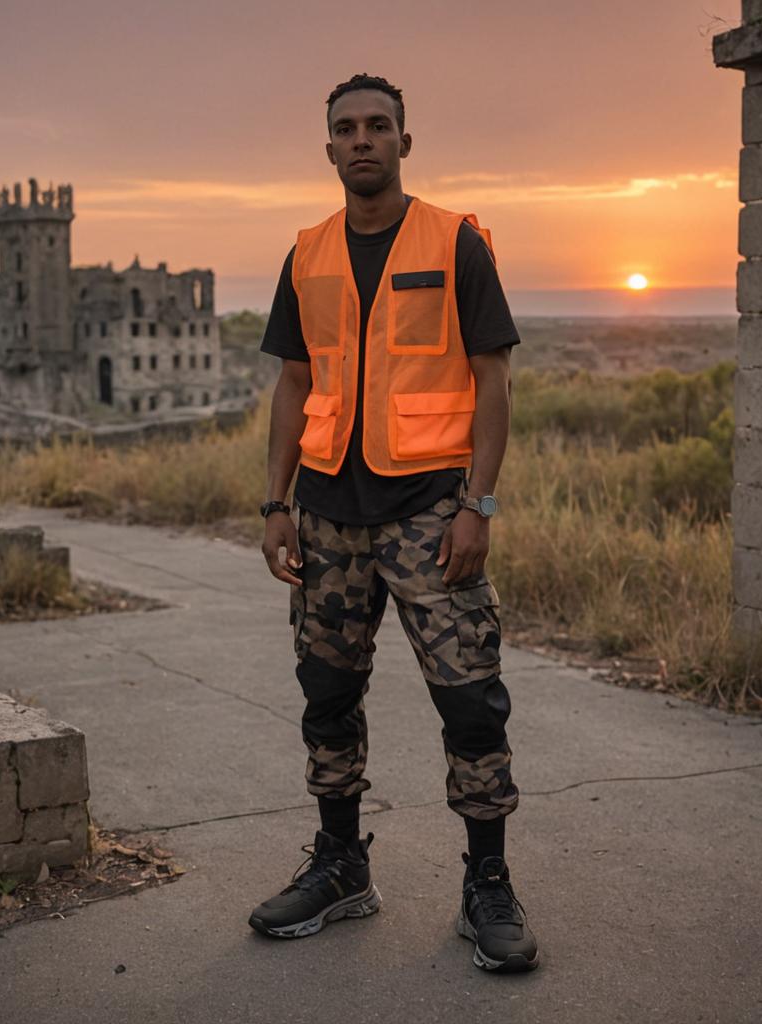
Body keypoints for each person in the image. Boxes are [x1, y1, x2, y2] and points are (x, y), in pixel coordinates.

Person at [249, 73, 538, 974]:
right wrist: (275, 503)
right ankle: (341, 868)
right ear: (328, 148)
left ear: (406, 142)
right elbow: (295, 384)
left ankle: (486, 884)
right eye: (347, 128)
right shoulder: (307, 254)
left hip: (427, 515)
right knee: (327, 699)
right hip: (329, 514)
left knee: (469, 702)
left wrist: (476, 505)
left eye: (380, 126)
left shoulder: (454, 242)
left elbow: (491, 378)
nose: (363, 139)